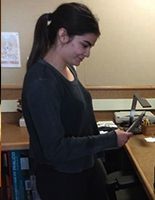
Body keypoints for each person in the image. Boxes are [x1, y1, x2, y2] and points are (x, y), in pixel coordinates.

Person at [21, 3, 133, 200]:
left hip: (85, 168)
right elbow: (56, 148)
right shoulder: (42, 81)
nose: (87, 53)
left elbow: (80, 122)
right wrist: (108, 140)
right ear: (63, 35)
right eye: (85, 45)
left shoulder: (68, 69)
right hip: (63, 179)